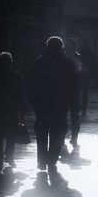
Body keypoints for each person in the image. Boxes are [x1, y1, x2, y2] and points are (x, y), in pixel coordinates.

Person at [26, 36, 78, 171]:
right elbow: (73, 86)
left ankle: (43, 160)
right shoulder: (67, 64)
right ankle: (52, 159)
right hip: (60, 104)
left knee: (42, 133)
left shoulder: (39, 62)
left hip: (43, 103)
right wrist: (72, 102)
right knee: (58, 132)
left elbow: (30, 82)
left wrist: (32, 99)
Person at [0, 51, 25, 173]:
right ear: (10, 63)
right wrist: (21, 110)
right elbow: (20, 95)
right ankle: (9, 155)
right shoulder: (15, 76)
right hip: (10, 111)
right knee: (10, 135)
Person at [63, 38, 83, 149]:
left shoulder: (76, 57)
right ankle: (64, 135)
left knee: (74, 115)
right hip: (65, 89)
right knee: (65, 114)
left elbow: (81, 72)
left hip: (74, 90)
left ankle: (74, 136)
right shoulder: (63, 57)